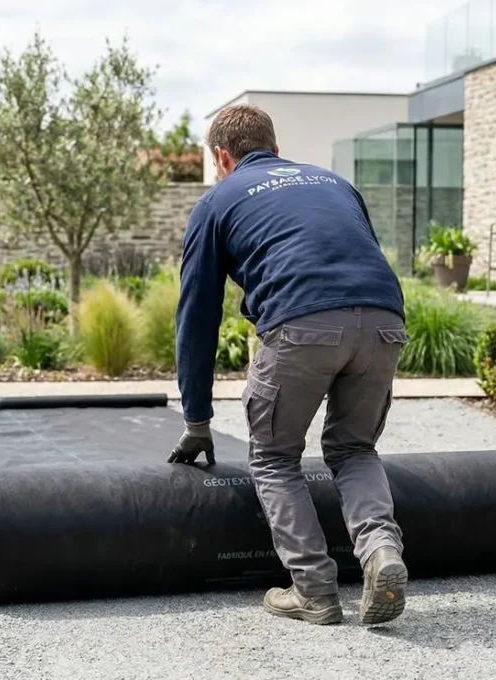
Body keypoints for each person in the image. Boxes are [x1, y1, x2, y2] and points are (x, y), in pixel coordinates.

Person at [167, 104, 410, 626]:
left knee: (276, 457)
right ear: (276, 150)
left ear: (222, 158)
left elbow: (197, 317)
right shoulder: (334, 182)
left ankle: (316, 592)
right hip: (386, 318)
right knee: (354, 448)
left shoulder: (216, 201)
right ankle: (381, 554)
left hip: (303, 323)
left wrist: (196, 421)